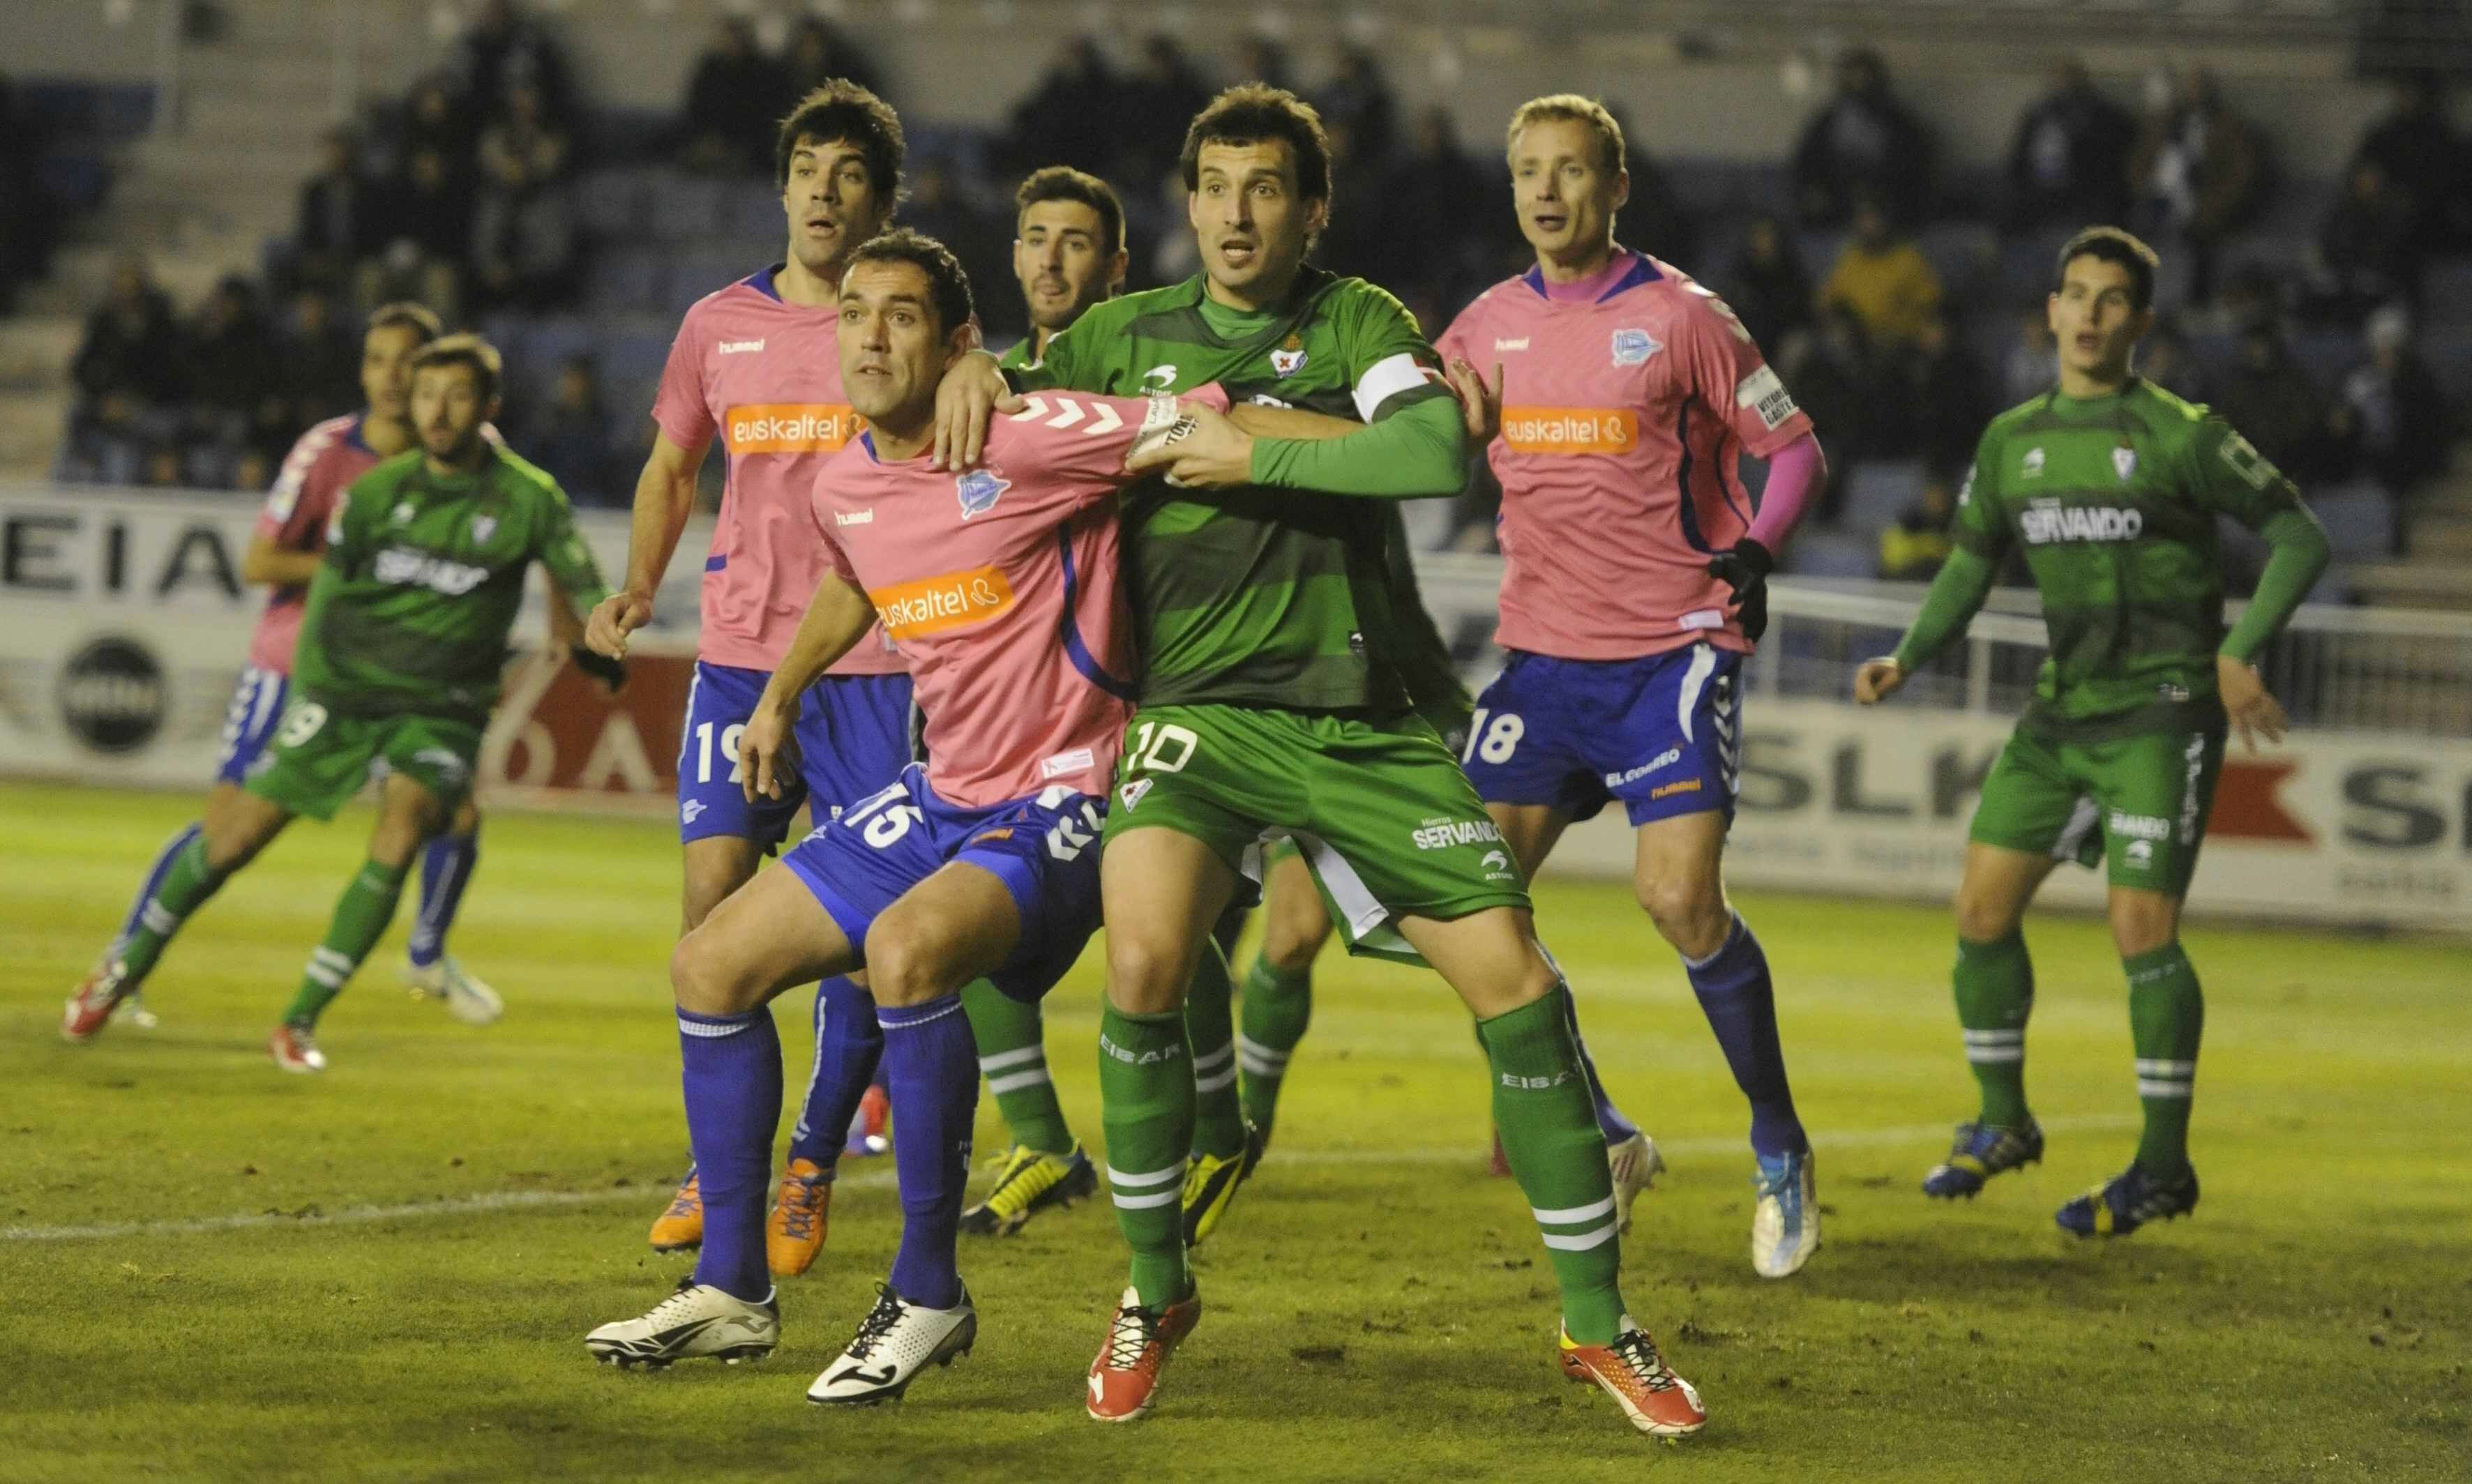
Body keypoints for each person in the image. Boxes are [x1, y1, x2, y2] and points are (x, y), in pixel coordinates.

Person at [948, 82, 1708, 1437]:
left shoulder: (1358, 320)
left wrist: (1241, 447)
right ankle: (1153, 1290)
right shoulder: (1118, 336)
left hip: (1361, 722)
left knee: (1520, 988)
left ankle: (1596, 1322)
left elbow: (1429, 448)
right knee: (1143, 961)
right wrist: (974, 369)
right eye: (1214, 188)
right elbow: (995, 409)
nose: (1235, 215)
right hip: (1193, 717)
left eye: (1265, 190)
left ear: (1310, 211)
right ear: (1187, 207)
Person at [582, 228, 1219, 1398]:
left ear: (955, 339)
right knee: (709, 963)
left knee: (905, 950)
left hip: (1069, 789)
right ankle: (731, 1290)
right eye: (855, 314)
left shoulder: (1026, 436)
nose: (870, 337)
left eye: (903, 316)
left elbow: (1202, 425)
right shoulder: (844, 481)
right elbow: (854, 577)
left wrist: (1368, 440)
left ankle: (928, 1293)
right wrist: (781, 693)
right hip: (948, 791)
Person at [1854, 227, 2329, 1236]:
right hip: (2059, 715)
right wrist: (1909, 654)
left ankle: (2162, 1170)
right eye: (2075, 294)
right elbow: (1969, 563)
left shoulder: (2182, 434)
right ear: (2052, 311)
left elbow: (2299, 535)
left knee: (2139, 928)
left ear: (2140, 322)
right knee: (1980, 911)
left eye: (2112, 299)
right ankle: (2003, 1122)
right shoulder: (2011, 439)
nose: (2089, 313)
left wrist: (2239, 650)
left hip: (2160, 715)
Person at [1436, 94, 1829, 1281]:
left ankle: (1778, 1145)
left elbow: (1792, 448)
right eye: (1528, 171)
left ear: (1616, 187)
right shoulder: (1483, 328)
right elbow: (1411, 435)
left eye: (1571, 170)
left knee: (1677, 901)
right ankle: (1603, 1131)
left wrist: (1756, 548)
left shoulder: (1679, 317)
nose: (1546, 191)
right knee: (1461, 907)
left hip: (1673, 646)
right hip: (1541, 660)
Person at [63, 335, 615, 1070]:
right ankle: (122, 969)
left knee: (408, 820)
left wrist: (603, 632)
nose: (437, 412)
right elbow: (325, 601)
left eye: (456, 397)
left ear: (490, 405)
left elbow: (581, 585)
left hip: (441, 707)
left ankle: (299, 1021)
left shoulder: (529, 498)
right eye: (427, 396)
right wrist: (315, 690)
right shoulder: (379, 492)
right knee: (233, 836)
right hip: (345, 691)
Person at [587, 83, 916, 1283]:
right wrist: (636, 586)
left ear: (881, 202)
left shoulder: (904, 325)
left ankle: (810, 1161)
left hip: (873, 663)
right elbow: (671, 465)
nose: (823, 192)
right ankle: (718, 1166)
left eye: (849, 175)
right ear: (780, 189)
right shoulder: (714, 324)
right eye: (807, 171)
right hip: (736, 659)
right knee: (711, 916)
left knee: (869, 935)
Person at [947, 165, 1133, 1241]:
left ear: (1116, 266)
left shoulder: (1151, 371)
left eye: (1076, 241)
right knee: (977, 910)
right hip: (1028, 711)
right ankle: (1044, 1143)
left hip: (1160, 691)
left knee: (1168, 926)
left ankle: (1214, 1130)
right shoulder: (988, 388)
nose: (1051, 259)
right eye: (1034, 237)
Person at [1790, 48, 1933, 229]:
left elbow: (1914, 169)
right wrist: (1815, 193)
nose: (1859, 87)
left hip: (1885, 204)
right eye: (1852, 80)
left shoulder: (1900, 124)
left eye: (1865, 80)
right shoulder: (1827, 123)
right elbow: (1806, 165)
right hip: (1837, 202)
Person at [2005, 59, 2135, 232]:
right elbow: (2020, 155)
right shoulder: (2039, 115)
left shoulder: (2098, 114)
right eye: (2057, 79)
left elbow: (2117, 143)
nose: (2061, 85)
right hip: (2037, 185)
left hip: (2080, 185)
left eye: (2066, 79)